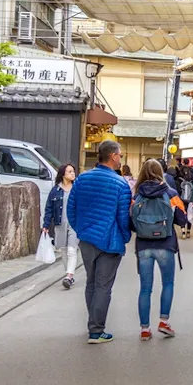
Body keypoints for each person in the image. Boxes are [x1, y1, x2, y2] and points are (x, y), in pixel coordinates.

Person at [67, 140, 132, 343]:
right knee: (103, 286)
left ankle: (93, 323)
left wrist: (81, 229)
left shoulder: (81, 179)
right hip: (110, 240)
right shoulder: (121, 184)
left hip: (87, 238)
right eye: (120, 155)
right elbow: (123, 217)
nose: (121, 158)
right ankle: (96, 330)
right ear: (113, 156)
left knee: (91, 282)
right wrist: (125, 237)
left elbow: (71, 209)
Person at [130, 159, 187, 341]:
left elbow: (130, 222)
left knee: (145, 288)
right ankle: (163, 321)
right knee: (167, 283)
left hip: (144, 245)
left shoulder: (137, 194)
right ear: (160, 172)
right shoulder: (170, 193)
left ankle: (144, 329)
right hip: (166, 244)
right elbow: (182, 219)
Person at [42, 163, 79, 290]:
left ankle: (69, 276)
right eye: (70, 171)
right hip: (60, 223)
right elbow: (49, 209)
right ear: (63, 174)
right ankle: (68, 274)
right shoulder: (55, 191)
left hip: (75, 223)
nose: (73, 173)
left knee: (71, 250)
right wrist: (46, 225)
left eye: (73, 171)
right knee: (63, 250)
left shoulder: (77, 188)